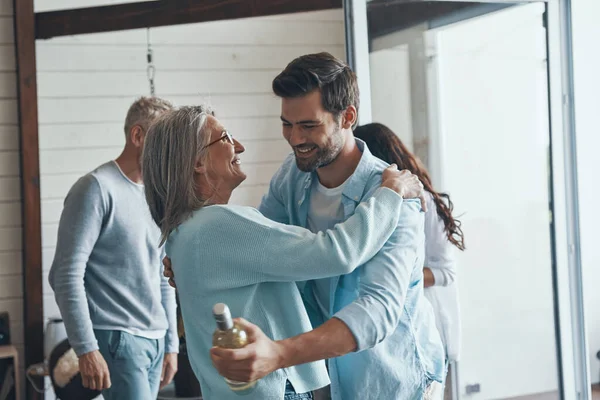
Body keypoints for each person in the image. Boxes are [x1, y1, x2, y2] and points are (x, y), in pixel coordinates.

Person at [141, 105, 426, 400]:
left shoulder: (183, 233)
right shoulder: (220, 225)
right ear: (197, 161)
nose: (239, 146)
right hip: (274, 389)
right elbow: (336, 252)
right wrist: (391, 193)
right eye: (225, 138)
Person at [207, 52, 446, 400]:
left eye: (308, 125)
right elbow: (261, 248)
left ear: (347, 117)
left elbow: (377, 310)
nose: (293, 138)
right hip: (331, 379)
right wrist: (202, 259)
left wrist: (279, 353)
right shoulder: (292, 175)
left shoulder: (398, 196)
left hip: (394, 380)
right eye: (287, 124)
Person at [48, 97, 179, 400]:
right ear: (137, 136)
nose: (171, 153)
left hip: (155, 341)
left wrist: (171, 344)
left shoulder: (156, 195)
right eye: (163, 141)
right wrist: (86, 348)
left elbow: (163, 275)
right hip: (118, 340)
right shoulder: (96, 188)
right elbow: (65, 275)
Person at [354, 122, 465, 396]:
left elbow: (446, 271)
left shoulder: (421, 202)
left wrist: (397, 274)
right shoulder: (373, 203)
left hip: (428, 324)